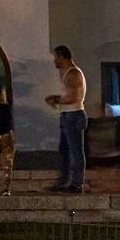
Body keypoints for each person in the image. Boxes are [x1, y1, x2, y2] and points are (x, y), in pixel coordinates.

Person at [43, 45, 87, 193]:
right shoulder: (69, 73)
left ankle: (76, 183)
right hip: (69, 115)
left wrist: (55, 99)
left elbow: (74, 96)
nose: (54, 60)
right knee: (64, 150)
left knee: (75, 151)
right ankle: (63, 181)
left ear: (62, 56)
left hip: (73, 115)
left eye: (56, 57)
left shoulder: (73, 74)